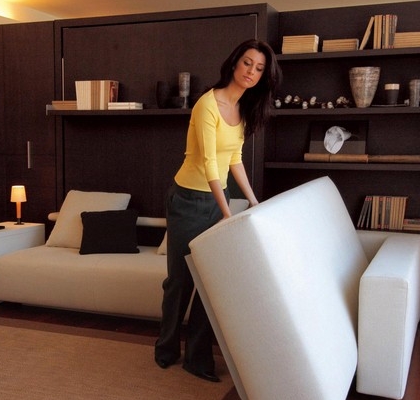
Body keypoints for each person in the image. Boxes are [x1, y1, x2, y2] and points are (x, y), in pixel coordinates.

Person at [154, 39, 282, 382]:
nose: (251, 72)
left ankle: (197, 358)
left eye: (259, 68)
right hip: (188, 200)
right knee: (180, 281)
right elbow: (211, 163)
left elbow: (233, 159)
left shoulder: (242, 109)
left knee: (212, 283)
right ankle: (166, 348)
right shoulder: (207, 104)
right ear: (234, 63)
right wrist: (228, 214)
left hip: (216, 198)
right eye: (247, 63)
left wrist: (253, 202)